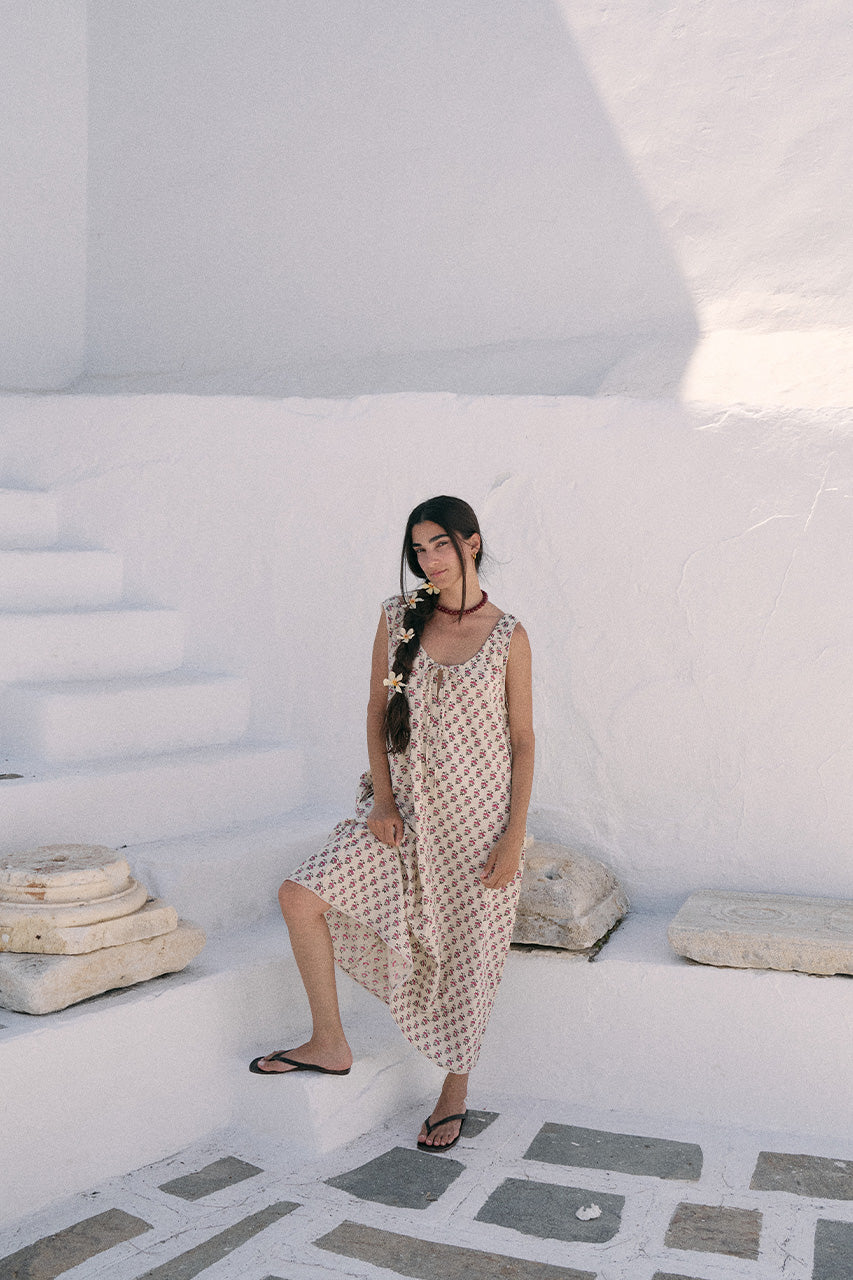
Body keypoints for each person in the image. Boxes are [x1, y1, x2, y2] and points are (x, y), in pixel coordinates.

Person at [250, 495, 534, 1152]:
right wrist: (381, 800)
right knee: (300, 896)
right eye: (418, 549)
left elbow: (522, 740)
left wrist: (513, 836)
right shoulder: (398, 616)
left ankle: (454, 1091)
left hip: (476, 825)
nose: (429, 560)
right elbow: (377, 713)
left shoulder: (508, 636)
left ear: (471, 542)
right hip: (399, 815)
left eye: (440, 545)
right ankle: (328, 1041)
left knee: (470, 955)